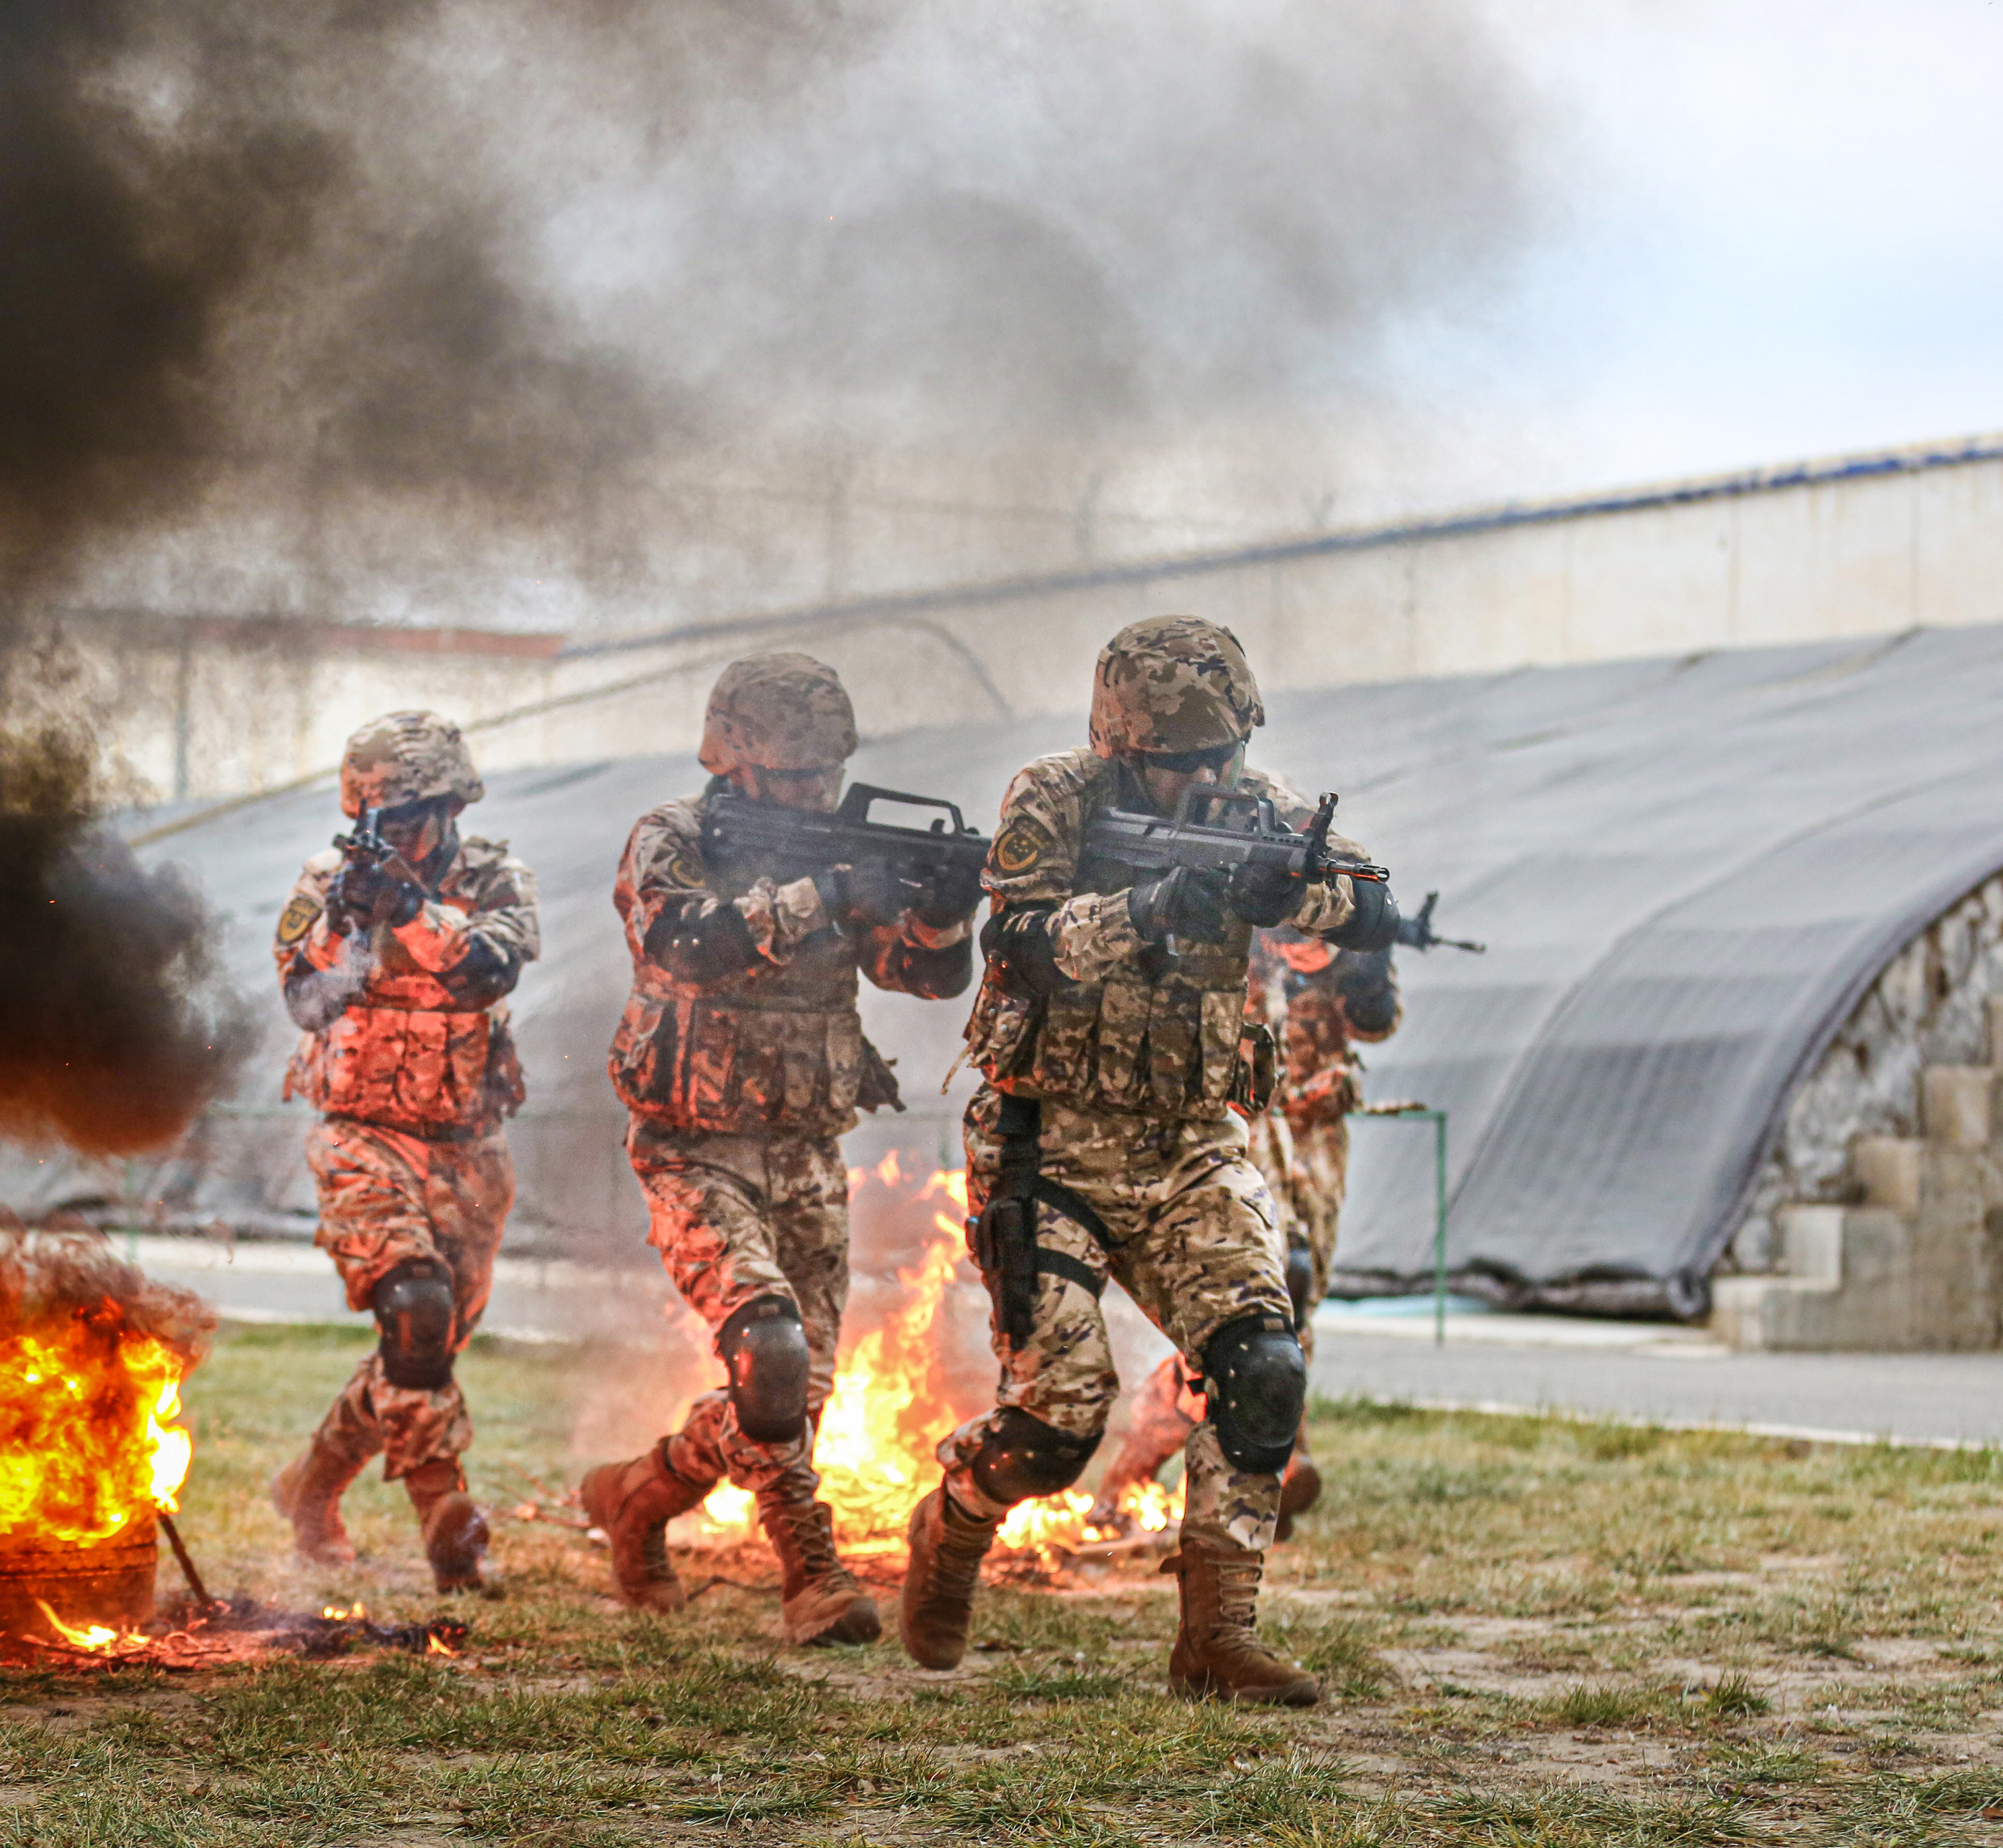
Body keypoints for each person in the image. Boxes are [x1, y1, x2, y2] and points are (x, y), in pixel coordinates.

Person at [896, 615, 1397, 1704]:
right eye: (1184, 762)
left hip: (1188, 1143)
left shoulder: (1257, 805)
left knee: (1263, 1369)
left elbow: (1375, 907)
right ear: (1124, 745)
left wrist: (1288, 893)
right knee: (1054, 1424)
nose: (1211, 777)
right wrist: (1144, 908)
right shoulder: (1054, 794)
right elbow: (1015, 938)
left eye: (1222, 752)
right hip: (1048, 1141)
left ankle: (1214, 1636)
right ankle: (953, 1522)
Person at [576, 653, 979, 1646]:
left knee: (790, 1395)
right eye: (796, 775)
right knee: (768, 1345)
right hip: (691, 1143)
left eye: (826, 773)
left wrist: (939, 907)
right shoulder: (673, 836)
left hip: (803, 1146)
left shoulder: (840, 843)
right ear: (737, 761)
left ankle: (639, 1493)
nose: (815, 792)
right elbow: (682, 942)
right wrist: (827, 888)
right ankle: (811, 1569)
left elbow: (919, 977)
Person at [267, 711, 539, 1594]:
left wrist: (414, 911)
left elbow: (488, 970)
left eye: (414, 816)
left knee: (420, 1351)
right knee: (413, 1307)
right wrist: (345, 921)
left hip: (467, 1146)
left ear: (454, 802)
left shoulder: (496, 876)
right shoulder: (326, 879)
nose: (399, 838)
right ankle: (447, 1524)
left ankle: (310, 1488)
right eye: (379, 820)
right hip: (358, 1135)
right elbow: (305, 1002)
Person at [1095, 929, 1402, 1535]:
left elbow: (1374, 1022)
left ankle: (1270, 1464)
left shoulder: (1335, 888)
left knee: (1298, 1305)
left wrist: (1360, 955)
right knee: (1240, 1308)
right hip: (1236, 1124)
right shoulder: (1232, 873)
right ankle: (1154, 1464)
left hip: (1313, 1133)